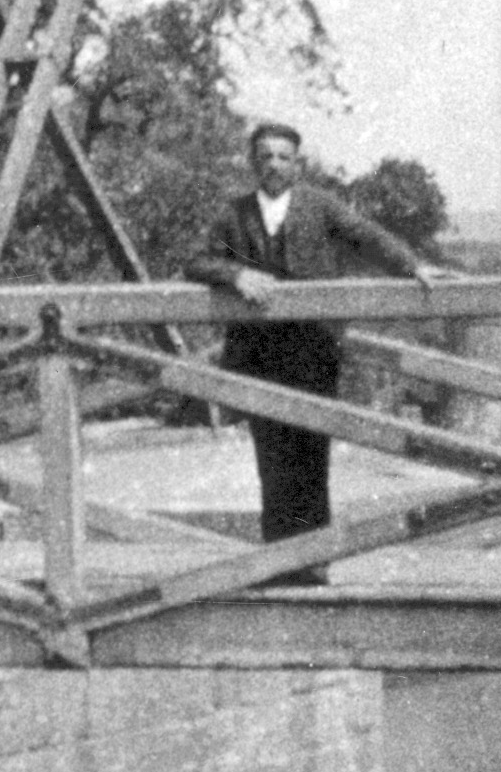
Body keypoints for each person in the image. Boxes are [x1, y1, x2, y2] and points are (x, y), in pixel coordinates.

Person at [187, 122, 442, 576]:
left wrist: (411, 265)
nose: (274, 165)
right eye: (265, 156)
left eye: (283, 157)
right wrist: (236, 276)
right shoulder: (236, 213)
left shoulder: (318, 206)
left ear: (296, 163)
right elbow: (197, 261)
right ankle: (278, 562)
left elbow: (366, 236)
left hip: (312, 349)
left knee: (310, 454)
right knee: (271, 456)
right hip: (259, 354)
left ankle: (313, 563)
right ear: (253, 161)